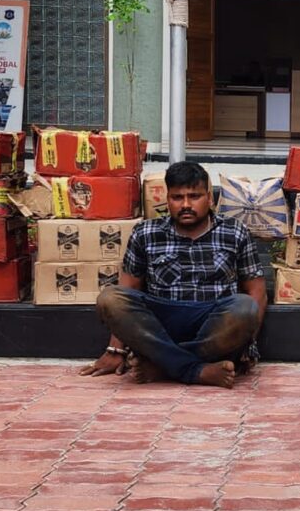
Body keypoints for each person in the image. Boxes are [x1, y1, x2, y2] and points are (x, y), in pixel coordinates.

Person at [80, 161, 266, 389]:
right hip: (162, 324)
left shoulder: (235, 232)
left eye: (194, 196)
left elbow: (257, 292)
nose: (186, 205)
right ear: (167, 199)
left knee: (245, 306)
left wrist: (249, 344)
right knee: (110, 298)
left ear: (209, 198)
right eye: (177, 197)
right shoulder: (146, 233)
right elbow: (128, 290)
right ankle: (197, 371)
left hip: (213, 322)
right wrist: (115, 349)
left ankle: (163, 366)